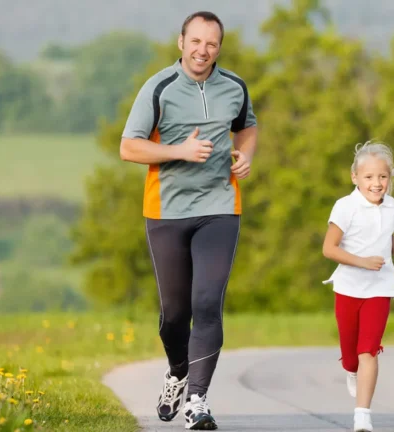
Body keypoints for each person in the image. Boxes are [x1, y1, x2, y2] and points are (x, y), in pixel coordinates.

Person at [119, 10, 258, 431]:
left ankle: (197, 400)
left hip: (219, 207)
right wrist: (179, 151)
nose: (203, 50)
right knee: (175, 313)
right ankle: (178, 370)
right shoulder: (159, 87)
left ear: (219, 47)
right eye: (195, 41)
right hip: (167, 211)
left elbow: (247, 127)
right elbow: (129, 147)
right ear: (181, 42)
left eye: (211, 43)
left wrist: (246, 155)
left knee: (206, 304)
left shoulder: (234, 86)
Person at [323, 141, 394, 432]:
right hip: (348, 288)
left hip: (380, 288)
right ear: (355, 178)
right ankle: (352, 371)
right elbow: (329, 249)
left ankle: (362, 414)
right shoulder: (345, 206)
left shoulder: (393, 207)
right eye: (369, 177)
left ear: (390, 178)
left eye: (383, 177)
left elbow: (386, 242)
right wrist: (361, 262)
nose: (377, 183)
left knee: (368, 351)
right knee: (351, 357)